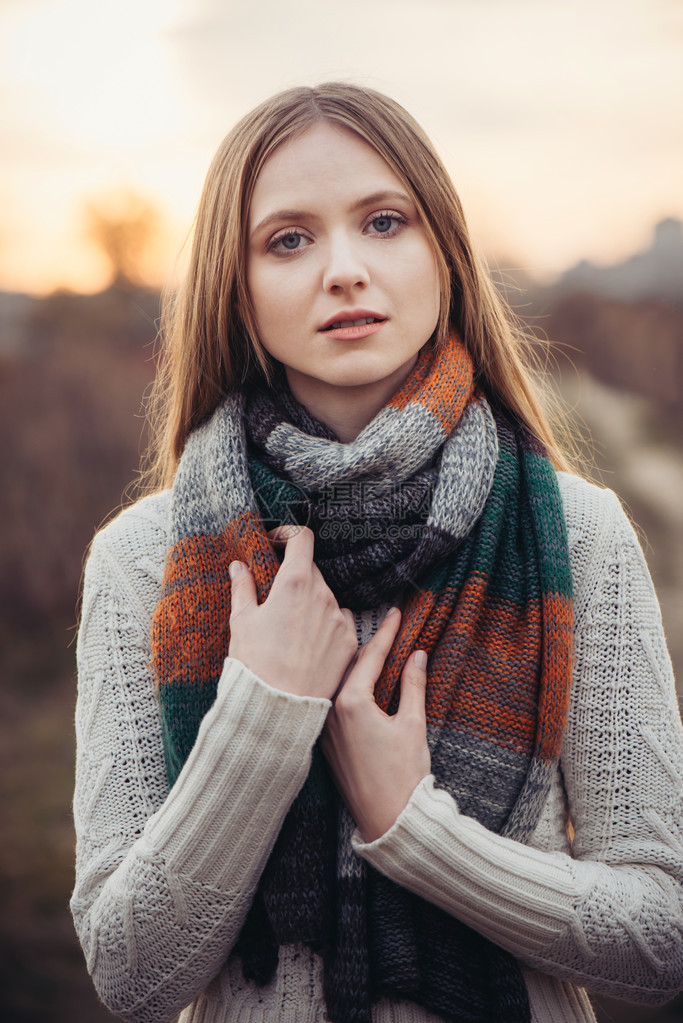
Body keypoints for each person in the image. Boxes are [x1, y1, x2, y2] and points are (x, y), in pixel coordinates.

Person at [71, 82, 683, 1023]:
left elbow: (660, 940)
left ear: (443, 250)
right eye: (288, 239)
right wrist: (262, 718)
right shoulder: (141, 560)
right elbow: (129, 973)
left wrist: (414, 828)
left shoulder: (575, 536)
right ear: (235, 288)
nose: (345, 269)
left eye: (385, 221)